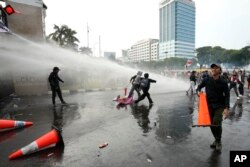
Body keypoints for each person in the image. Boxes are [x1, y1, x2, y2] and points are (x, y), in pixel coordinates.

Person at [196, 64, 230, 152]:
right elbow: (199, 87)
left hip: (219, 105)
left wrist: (227, 108)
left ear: (220, 70)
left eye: (216, 68)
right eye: (212, 68)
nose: (213, 69)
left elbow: (227, 95)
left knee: (216, 122)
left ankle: (218, 141)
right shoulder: (207, 79)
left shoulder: (223, 81)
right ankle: (216, 139)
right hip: (209, 105)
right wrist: (198, 92)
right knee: (211, 124)